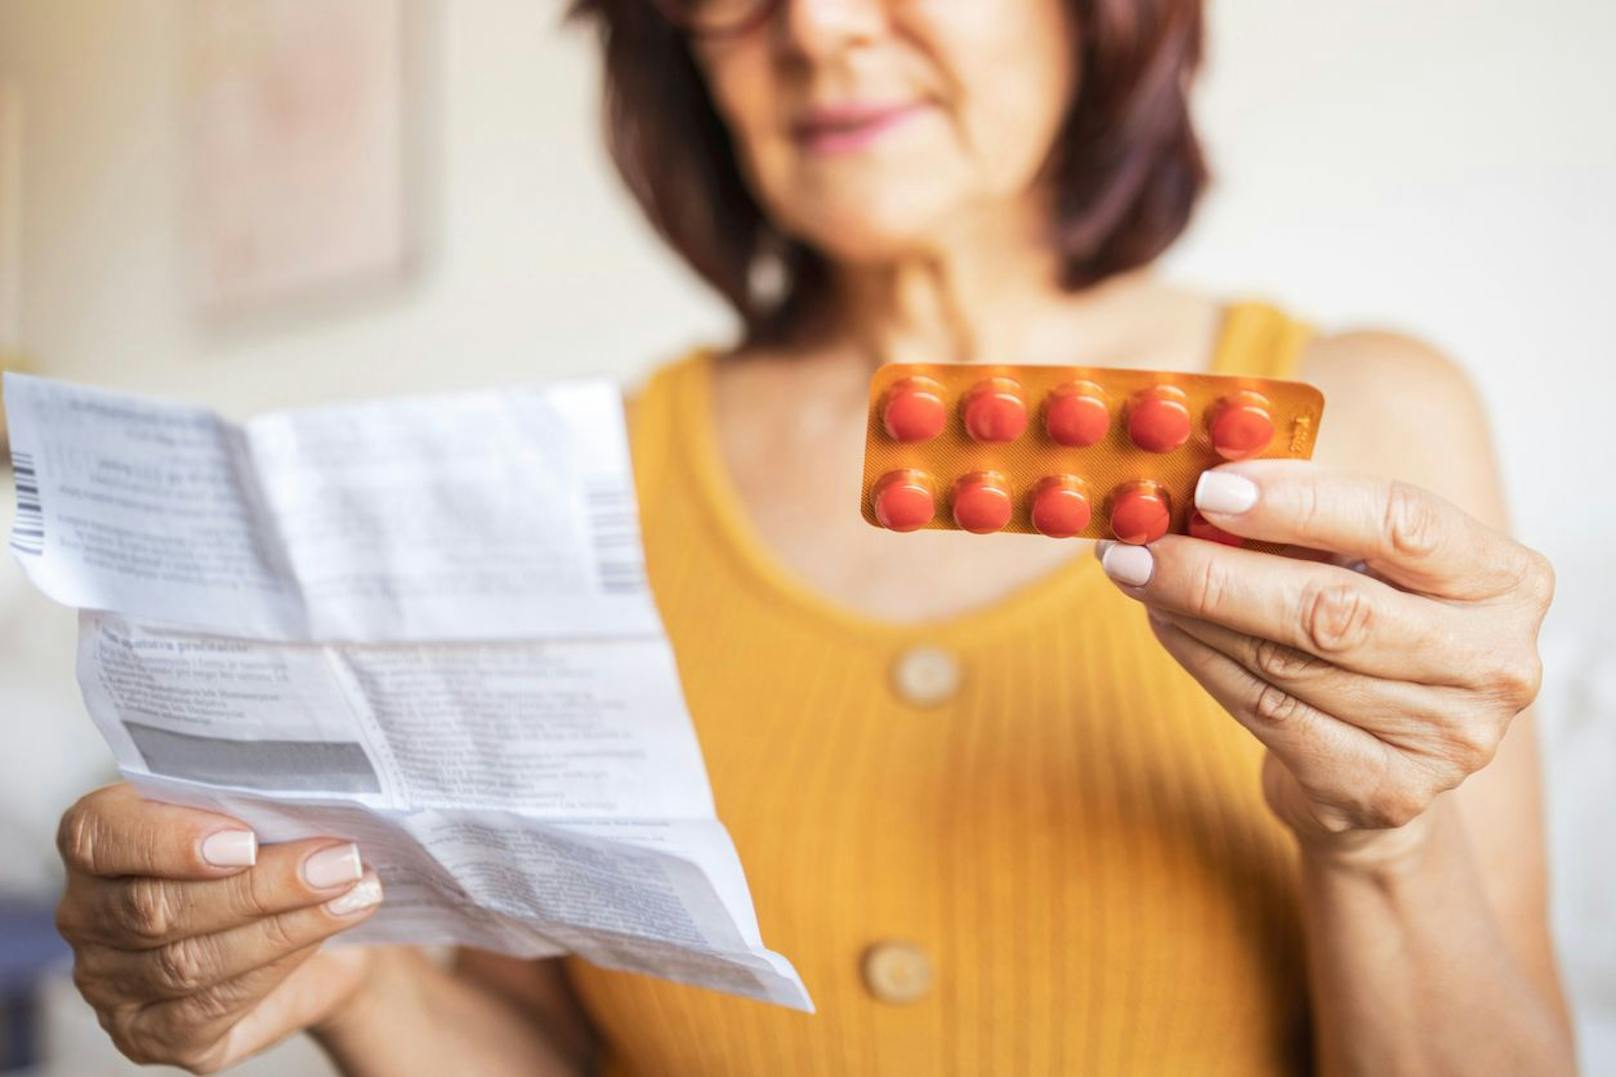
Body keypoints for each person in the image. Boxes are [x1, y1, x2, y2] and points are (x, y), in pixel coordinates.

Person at [50, 0, 1574, 1072]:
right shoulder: (591, 480)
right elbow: (551, 1054)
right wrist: (351, 979)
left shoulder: (1369, 419)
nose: (820, 23)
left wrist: (1386, 841)